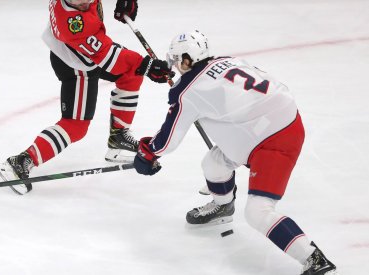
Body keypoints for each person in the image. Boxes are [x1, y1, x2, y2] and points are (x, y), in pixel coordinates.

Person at [133, 30, 338, 275]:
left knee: (257, 211)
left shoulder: (188, 93)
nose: (175, 65)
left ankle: (314, 259)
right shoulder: (227, 61)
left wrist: (147, 154)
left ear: (187, 59)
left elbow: (167, 142)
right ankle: (223, 206)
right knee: (214, 163)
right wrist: (180, 86)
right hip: (274, 122)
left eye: (177, 60)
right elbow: (212, 90)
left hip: (274, 141)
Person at [0, 0, 172, 194]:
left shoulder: (79, 6)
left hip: (90, 52)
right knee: (76, 126)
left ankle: (118, 138)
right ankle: (20, 161)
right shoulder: (73, 23)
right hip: (76, 64)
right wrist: (147, 66)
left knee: (131, 73)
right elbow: (108, 57)